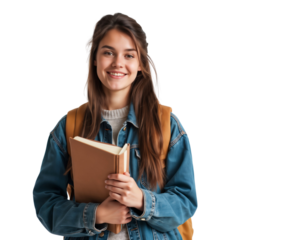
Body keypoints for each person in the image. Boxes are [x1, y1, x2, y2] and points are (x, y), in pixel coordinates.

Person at [31, 12, 199, 239]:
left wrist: (141, 200)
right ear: (94, 59)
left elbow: (187, 202)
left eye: (129, 55)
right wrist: (97, 214)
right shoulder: (68, 126)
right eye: (108, 52)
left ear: (140, 63)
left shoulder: (168, 124)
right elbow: (44, 205)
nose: (118, 63)